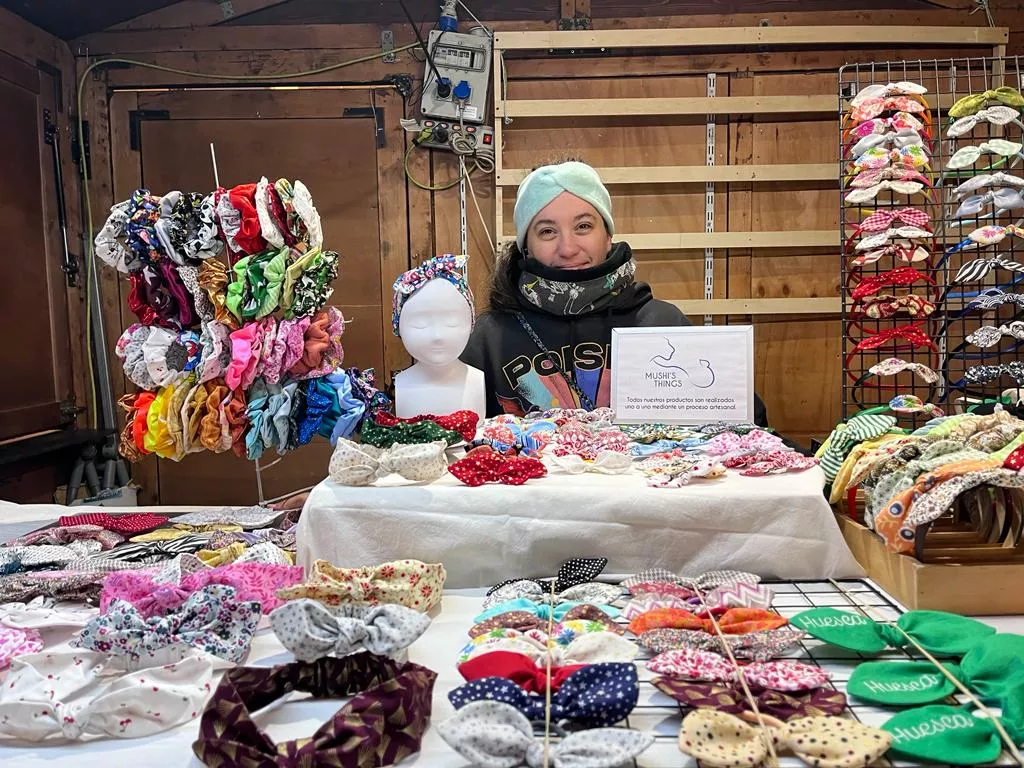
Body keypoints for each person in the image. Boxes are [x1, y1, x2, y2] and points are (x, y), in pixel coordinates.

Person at [461, 159, 769, 425]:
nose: (568, 248)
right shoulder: (490, 338)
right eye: (547, 231)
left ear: (608, 235)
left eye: (583, 226)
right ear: (526, 246)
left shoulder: (661, 324)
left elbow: (750, 427)